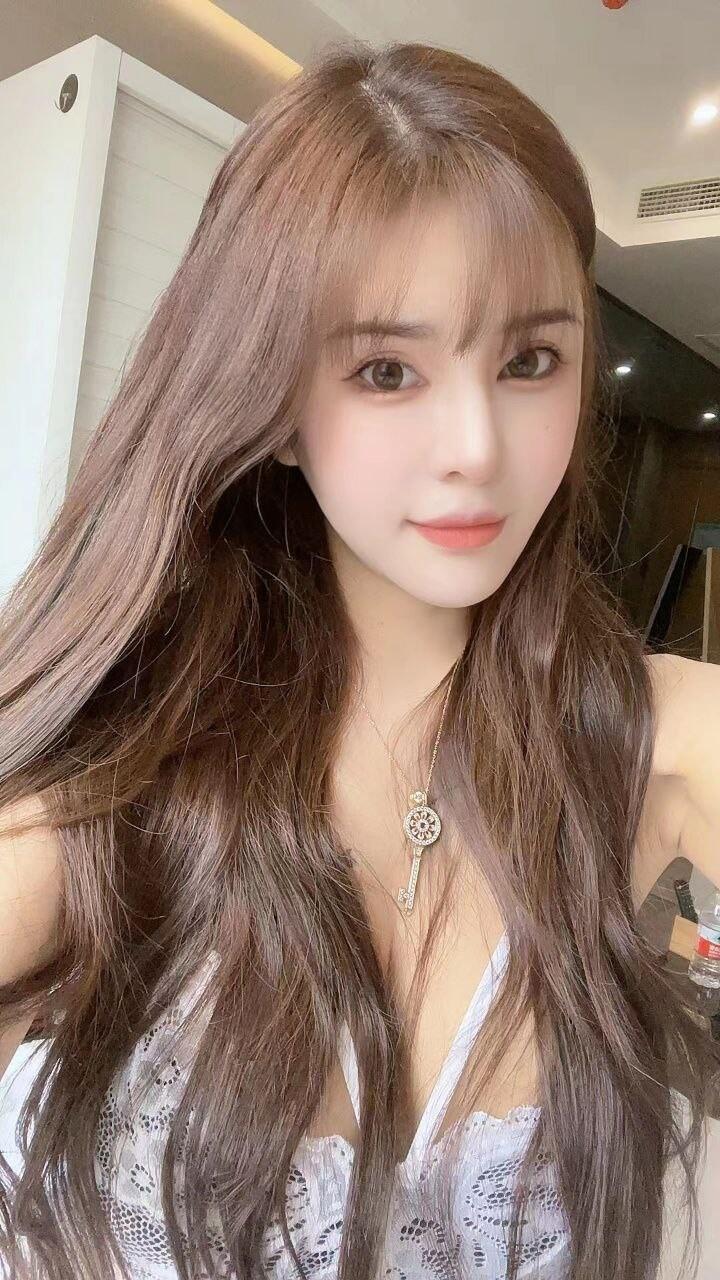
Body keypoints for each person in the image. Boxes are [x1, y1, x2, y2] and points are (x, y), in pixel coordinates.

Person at [0, 37, 718, 1280]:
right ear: (274, 400)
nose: (476, 444)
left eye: (530, 360)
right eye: (388, 369)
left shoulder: (662, 753)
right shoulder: (111, 793)